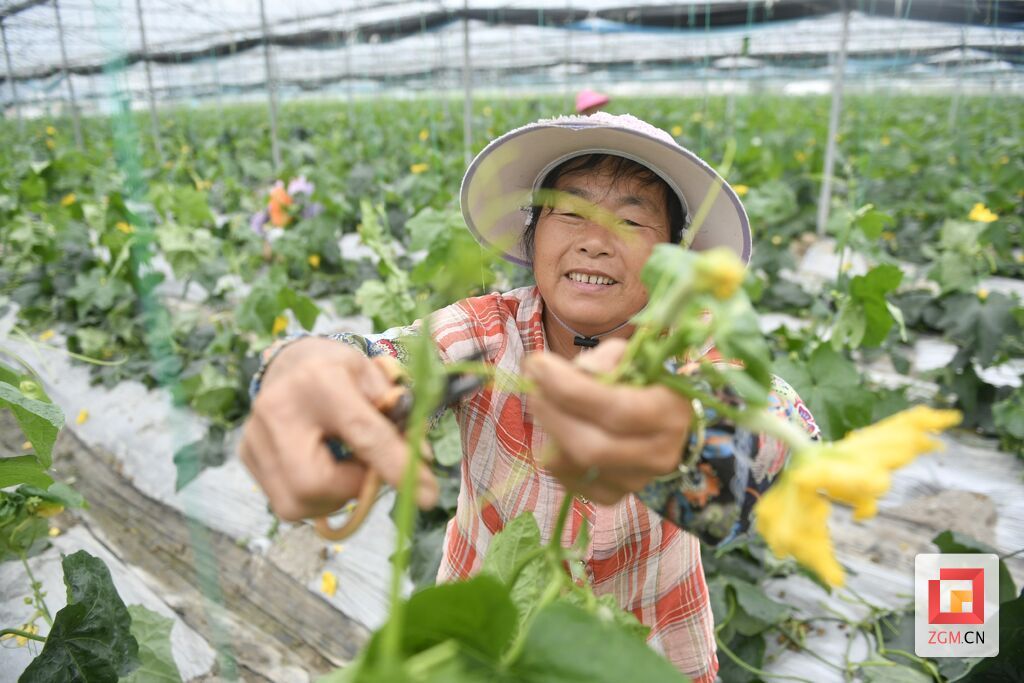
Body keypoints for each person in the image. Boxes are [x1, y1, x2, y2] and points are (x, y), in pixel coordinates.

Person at [240, 112, 819, 682]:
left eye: (632, 221)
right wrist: (305, 367)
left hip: (649, 649)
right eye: (569, 212)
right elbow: (388, 361)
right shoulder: (487, 332)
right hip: (482, 650)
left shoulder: (687, 347)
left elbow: (773, 429)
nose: (594, 240)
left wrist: (690, 435)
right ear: (531, 233)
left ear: (674, 256)